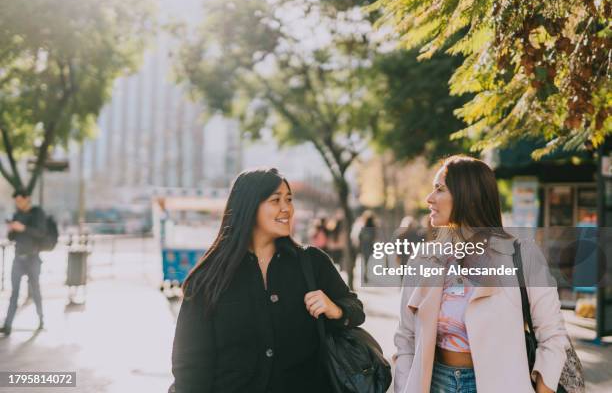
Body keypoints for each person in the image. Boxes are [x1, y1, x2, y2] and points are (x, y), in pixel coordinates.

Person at [170, 168, 365, 393]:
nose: (287, 208)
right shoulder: (210, 277)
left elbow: (356, 310)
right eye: (275, 200)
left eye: (289, 199)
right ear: (249, 207)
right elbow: (189, 365)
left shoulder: (312, 263)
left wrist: (336, 309)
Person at [394, 155, 568, 393]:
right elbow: (405, 338)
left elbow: (552, 335)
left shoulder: (523, 255)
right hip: (436, 384)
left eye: (439, 189)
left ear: (468, 196)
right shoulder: (424, 258)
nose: (429, 198)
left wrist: (544, 390)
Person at [1, 189, 47, 335]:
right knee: (14, 292)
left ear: (27, 199)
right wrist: (12, 229)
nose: (18, 204)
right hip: (18, 258)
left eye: (20, 200)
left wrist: (23, 228)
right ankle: (7, 325)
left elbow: (41, 232)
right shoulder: (17, 214)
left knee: (35, 290)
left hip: (33, 258)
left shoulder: (37, 213)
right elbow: (11, 237)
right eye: (16, 202)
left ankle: (41, 319)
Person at [357, 210, 378, 283]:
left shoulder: (363, 227)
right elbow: (375, 238)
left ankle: (364, 275)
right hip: (369, 246)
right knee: (367, 261)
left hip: (364, 246)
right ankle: (365, 275)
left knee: (364, 261)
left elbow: (359, 237)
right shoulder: (373, 228)